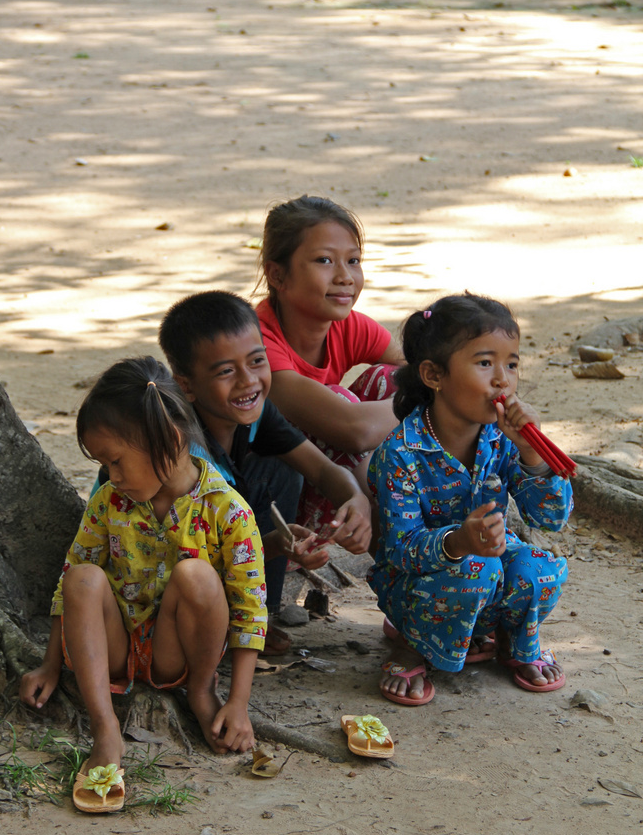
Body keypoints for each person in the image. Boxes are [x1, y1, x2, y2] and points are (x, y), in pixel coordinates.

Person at [19, 357, 266, 812]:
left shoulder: (228, 510)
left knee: (196, 574)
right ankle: (106, 728)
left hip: (178, 654)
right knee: (82, 577)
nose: (110, 476)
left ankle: (200, 694)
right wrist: (50, 665)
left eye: (116, 461)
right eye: (103, 464)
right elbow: (69, 582)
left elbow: (251, 608)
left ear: (169, 441)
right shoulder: (108, 502)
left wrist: (239, 701)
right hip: (115, 648)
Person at [367, 293, 573, 706]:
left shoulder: (503, 437)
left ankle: (514, 645)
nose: (503, 380)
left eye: (511, 364)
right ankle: (412, 643)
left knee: (541, 570)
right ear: (433, 375)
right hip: (418, 580)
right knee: (475, 571)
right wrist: (458, 543)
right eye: (485, 363)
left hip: (487, 564)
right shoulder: (400, 454)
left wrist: (532, 455)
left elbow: (550, 519)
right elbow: (399, 551)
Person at [158, 290, 372, 650]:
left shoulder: (255, 414)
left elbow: (322, 471)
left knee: (280, 464)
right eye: (226, 371)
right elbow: (193, 554)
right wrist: (276, 544)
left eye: (257, 361)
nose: (248, 381)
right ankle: (227, 626)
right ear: (186, 386)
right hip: (170, 584)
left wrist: (355, 500)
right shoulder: (181, 450)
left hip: (224, 552)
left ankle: (260, 613)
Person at [255, 194, 405, 530]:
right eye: (324, 261)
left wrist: (427, 392)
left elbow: (424, 374)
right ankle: (398, 538)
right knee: (343, 402)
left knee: (395, 378)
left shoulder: (348, 325)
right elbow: (355, 431)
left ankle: (417, 507)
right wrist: (424, 399)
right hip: (273, 504)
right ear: (277, 276)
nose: (345, 277)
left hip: (332, 481)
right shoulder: (257, 344)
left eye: (353, 261)